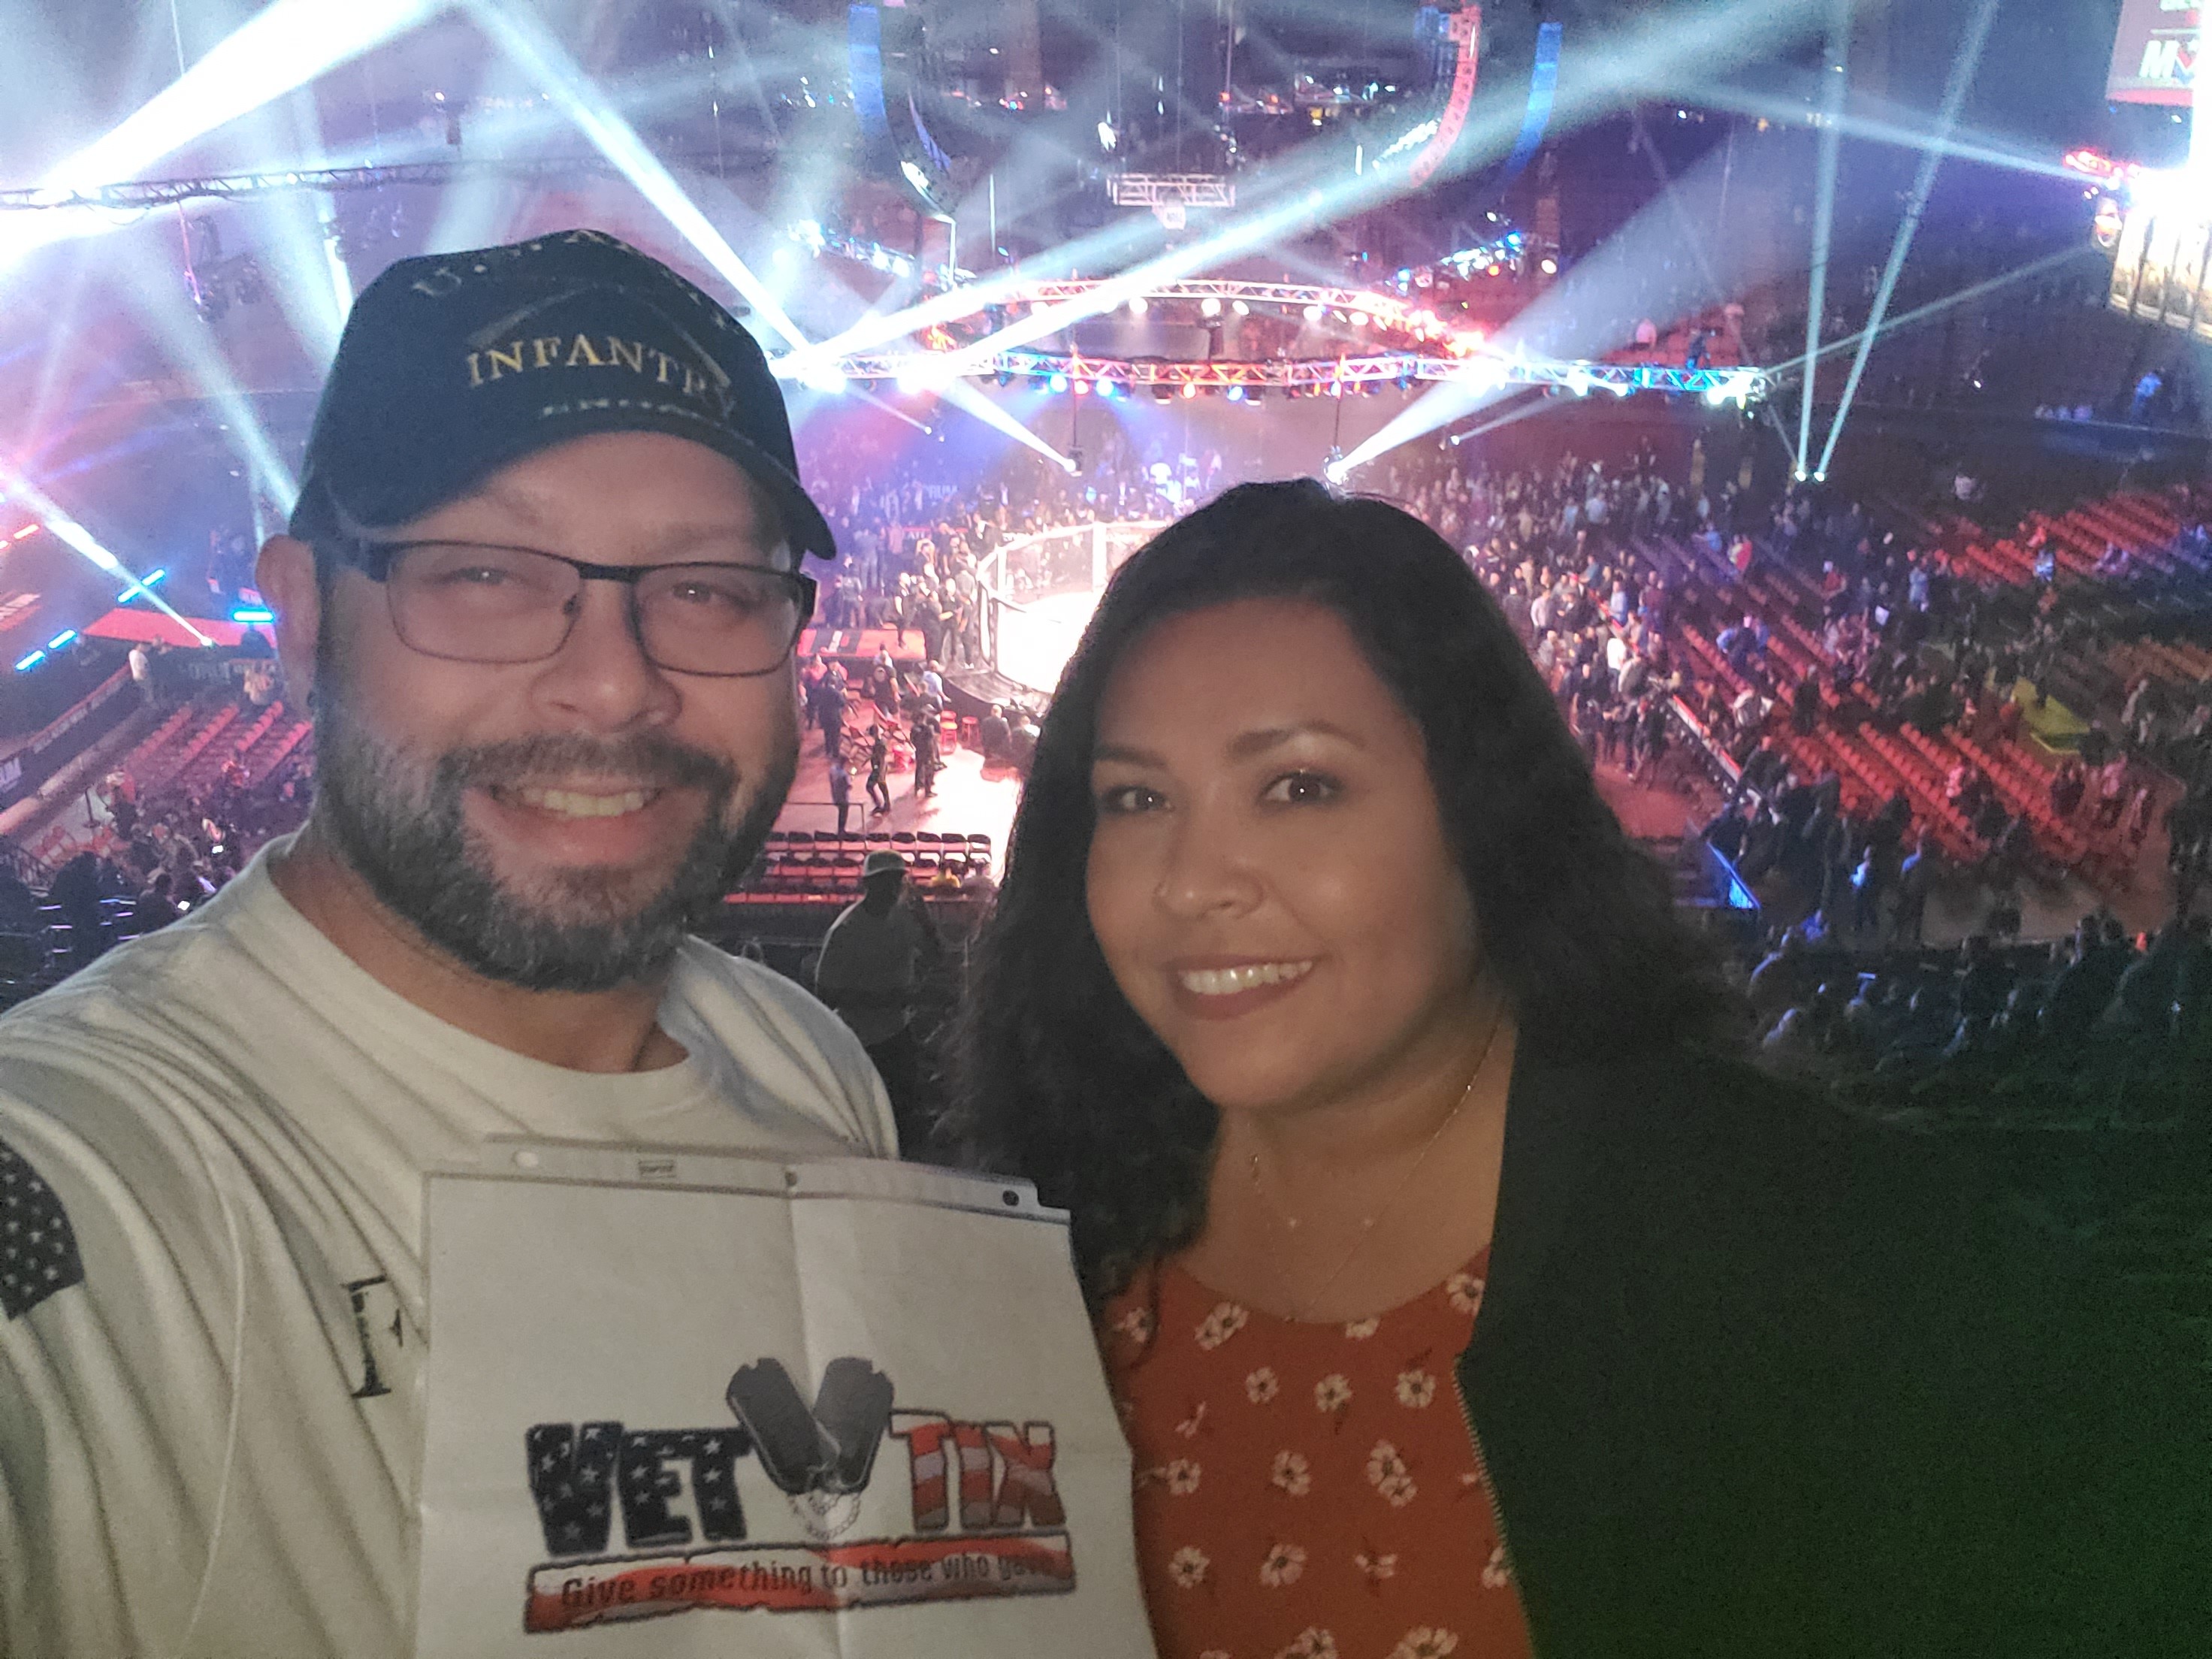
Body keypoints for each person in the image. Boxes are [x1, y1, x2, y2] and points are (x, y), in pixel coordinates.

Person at [952, 480, 2189, 1657]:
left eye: (1298, 786)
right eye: (1135, 800)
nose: (1188, 884)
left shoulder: (1844, 1271)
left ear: (1485, 817)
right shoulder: (1039, 1230)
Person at [0, 231, 902, 1657]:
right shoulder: (80, 1176)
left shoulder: (806, 1059)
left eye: (706, 587)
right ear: (303, 617)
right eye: (483, 573)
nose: (612, 682)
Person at [816, 851, 939, 1154]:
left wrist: (927, 925)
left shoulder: (905, 920)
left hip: (897, 1032)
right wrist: (883, 1000)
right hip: (859, 1039)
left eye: (897, 881)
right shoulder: (847, 930)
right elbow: (825, 991)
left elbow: (935, 956)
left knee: (903, 1111)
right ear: (869, 884)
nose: (893, 888)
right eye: (886, 881)